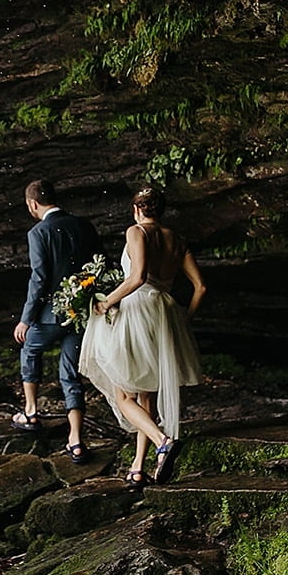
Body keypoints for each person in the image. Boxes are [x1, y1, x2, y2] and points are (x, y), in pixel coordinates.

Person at [79, 186, 207, 485]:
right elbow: (201, 287)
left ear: (136, 209)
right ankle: (138, 467)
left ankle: (163, 440)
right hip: (166, 312)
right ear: (160, 210)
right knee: (146, 392)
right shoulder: (177, 240)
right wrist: (184, 319)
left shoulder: (137, 232)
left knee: (124, 393)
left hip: (137, 310)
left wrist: (106, 302)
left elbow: (136, 277)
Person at [13, 178, 102, 462]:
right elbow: (101, 263)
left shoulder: (39, 232)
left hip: (51, 315)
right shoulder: (84, 225)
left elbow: (39, 279)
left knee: (29, 348)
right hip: (82, 313)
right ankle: (76, 440)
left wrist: (26, 320)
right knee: (71, 374)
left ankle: (30, 412)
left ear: (32, 204)